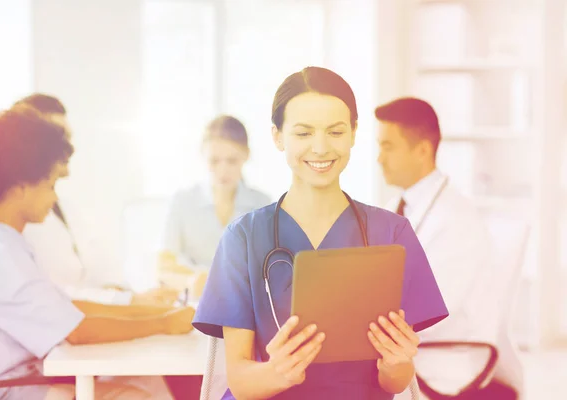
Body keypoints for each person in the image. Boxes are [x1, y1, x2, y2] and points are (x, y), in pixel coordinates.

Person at [192, 67, 449, 399]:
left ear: (354, 134)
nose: (321, 147)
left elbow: (396, 382)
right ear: (277, 137)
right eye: (303, 133)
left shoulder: (392, 233)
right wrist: (276, 372)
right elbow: (240, 381)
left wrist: (396, 363)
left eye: (335, 131)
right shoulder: (242, 238)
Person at [0, 106, 194, 400]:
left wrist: (158, 311)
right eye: (50, 185)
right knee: (136, 395)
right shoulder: (1, 257)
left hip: (21, 379)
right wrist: (163, 324)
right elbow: (77, 329)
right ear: (22, 187)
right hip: (0, 391)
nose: (55, 196)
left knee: (145, 384)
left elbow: (69, 307)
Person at [0, 93, 177, 307]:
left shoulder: (61, 206)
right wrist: (132, 305)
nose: (66, 148)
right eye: (57, 137)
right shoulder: (5, 220)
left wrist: (126, 296)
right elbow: (52, 300)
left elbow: (98, 269)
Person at [375, 97, 515, 397]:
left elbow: (429, 311)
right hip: (410, 346)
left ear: (423, 150)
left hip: (446, 357)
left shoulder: (456, 219)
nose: (379, 158)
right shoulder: (397, 206)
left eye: (388, 147)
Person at [158, 115, 271, 297]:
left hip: (245, 303)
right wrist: (192, 281)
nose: (223, 170)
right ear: (202, 155)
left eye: (232, 161)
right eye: (214, 161)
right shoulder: (183, 201)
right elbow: (163, 269)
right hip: (195, 304)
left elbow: (271, 267)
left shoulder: (263, 205)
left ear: (246, 155)